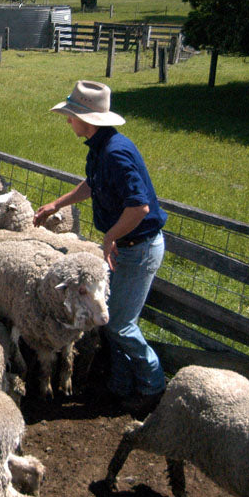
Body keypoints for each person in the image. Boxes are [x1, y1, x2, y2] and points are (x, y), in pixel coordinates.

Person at [33, 80, 167, 418]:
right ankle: (120, 386)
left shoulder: (116, 153)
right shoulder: (100, 148)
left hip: (137, 247)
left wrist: (109, 239)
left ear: (87, 119)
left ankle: (153, 387)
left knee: (119, 323)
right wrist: (55, 204)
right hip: (126, 245)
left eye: (71, 115)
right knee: (111, 321)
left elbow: (140, 208)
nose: (68, 121)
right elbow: (92, 185)